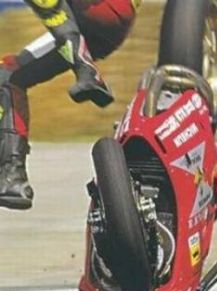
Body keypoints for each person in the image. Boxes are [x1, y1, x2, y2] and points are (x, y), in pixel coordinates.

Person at [0, 0, 140, 210]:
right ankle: (13, 178)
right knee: (9, 74)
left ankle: (83, 65)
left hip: (98, 8)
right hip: (101, 24)